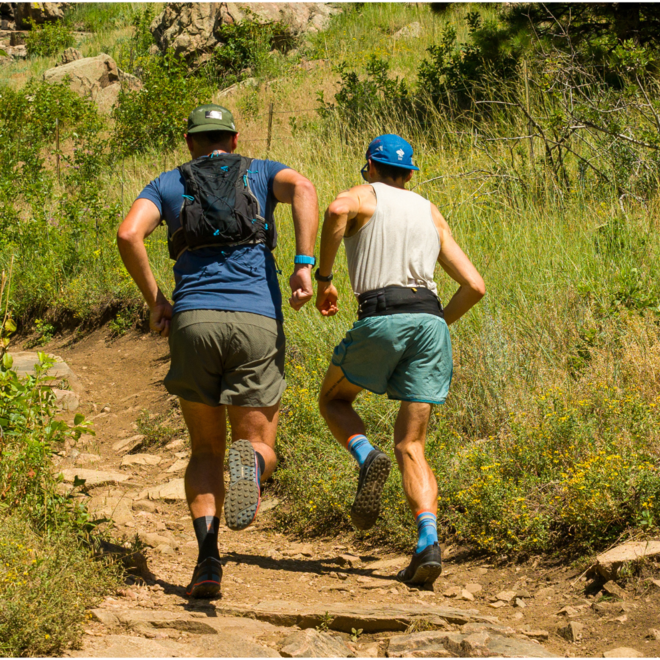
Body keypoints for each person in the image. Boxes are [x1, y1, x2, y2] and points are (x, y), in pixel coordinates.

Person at [117, 104, 318, 598]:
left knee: (205, 449)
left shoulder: (167, 182)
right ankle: (249, 467)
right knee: (256, 446)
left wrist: (156, 300)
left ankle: (208, 562)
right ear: (233, 138)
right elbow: (307, 190)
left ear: (190, 142)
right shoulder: (264, 171)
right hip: (256, 321)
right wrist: (304, 265)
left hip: (193, 323)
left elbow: (128, 234)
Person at [315, 134, 485, 587]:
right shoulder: (429, 211)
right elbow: (474, 286)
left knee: (332, 402)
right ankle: (427, 542)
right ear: (409, 173)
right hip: (430, 322)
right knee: (412, 446)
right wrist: (438, 323)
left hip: (383, 314)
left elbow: (334, 212)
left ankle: (365, 456)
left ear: (369, 165)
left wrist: (325, 277)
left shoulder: (364, 196)